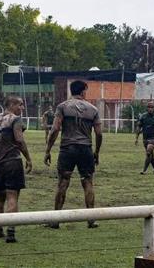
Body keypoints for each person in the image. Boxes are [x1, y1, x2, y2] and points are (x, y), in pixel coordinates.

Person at [44, 80, 103, 229]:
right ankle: (91, 219)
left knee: (63, 182)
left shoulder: (63, 107)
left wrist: (48, 150)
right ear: (83, 91)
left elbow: (55, 129)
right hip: (85, 149)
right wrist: (96, 152)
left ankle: (56, 220)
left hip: (67, 149)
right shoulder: (93, 109)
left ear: (71, 91)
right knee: (88, 182)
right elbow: (99, 133)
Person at [0, 95, 33, 243]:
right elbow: (20, 140)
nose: (22, 108)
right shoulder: (15, 120)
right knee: (12, 196)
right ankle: (11, 231)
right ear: (12, 104)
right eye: (20, 105)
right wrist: (28, 158)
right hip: (13, 162)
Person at [135, 102, 154, 174]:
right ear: (147, 108)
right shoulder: (143, 117)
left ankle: (144, 170)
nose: (150, 109)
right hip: (145, 138)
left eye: (152, 107)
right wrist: (136, 138)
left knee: (148, 151)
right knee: (151, 155)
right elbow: (139, 127)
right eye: (149, 107)